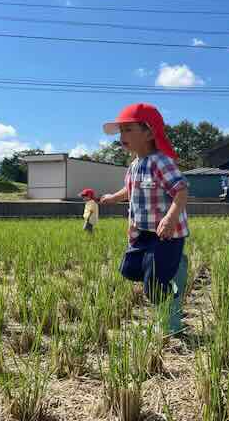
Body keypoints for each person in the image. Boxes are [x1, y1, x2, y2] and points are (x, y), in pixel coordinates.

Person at [100, 103, 189, 335]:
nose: (122, 136)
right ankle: (173, 266)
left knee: (155, 286)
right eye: (121, 131)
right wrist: (113, 197)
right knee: (129, 270)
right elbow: (129, 191)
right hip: (142, 233)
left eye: (128, 130)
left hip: (166, 233)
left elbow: (181, 190)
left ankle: (170, 321)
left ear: (149, 132)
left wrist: (170, 218)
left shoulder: (161, 162)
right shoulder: (133, 166)